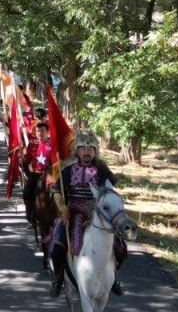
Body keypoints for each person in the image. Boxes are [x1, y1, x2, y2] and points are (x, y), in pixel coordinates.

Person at [46, 131, 126, 298]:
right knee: (56, 247)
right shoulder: (67, 170)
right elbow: (56, 192)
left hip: (98, 215)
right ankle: (59, 278)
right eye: (83, 148)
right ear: (77, 151)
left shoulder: (103, 171)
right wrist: (63, 208)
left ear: (96, 151)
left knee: (120, 248)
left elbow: (110, 192)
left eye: (91, 148)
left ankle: (113, 278)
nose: (87, 152)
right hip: (72, 213)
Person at [21, 114, 52, 225]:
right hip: (34, 174)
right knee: (28, 191)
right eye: (38, 131)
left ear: (47, 132)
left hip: (48, 175)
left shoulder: (52, 145)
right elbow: (26, 160)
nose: (40, 133)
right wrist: (22, 158)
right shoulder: (32, 144)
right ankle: (29, 214)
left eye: (42, 131)